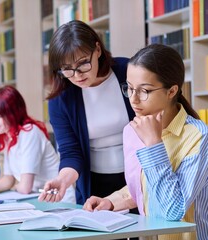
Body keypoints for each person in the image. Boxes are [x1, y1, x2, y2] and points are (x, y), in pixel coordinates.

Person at [83, 44, 208, 240]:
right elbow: (144, 185)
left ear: (171, 91)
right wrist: (111, 202)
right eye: (129, 88)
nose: (134, 100)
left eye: (144, 90)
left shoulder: (199, 136)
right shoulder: (132, 130)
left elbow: (173, 211)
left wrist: (153, 144)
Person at [37, 20, 135, 205]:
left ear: (97, 50)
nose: (77, 75)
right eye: (67, 69)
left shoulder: (128, 71)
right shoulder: (61, 99)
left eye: (83, 63)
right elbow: (70, 152)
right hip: (94, 183)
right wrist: (63, 180)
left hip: (138, 176)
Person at [0, 86, 75, 203]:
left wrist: (16, 188)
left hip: (59, 200)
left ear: (13, 113)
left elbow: (25, 188)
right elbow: (9, 178)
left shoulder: (29, 132)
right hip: (38, 199)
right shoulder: (9, 135)